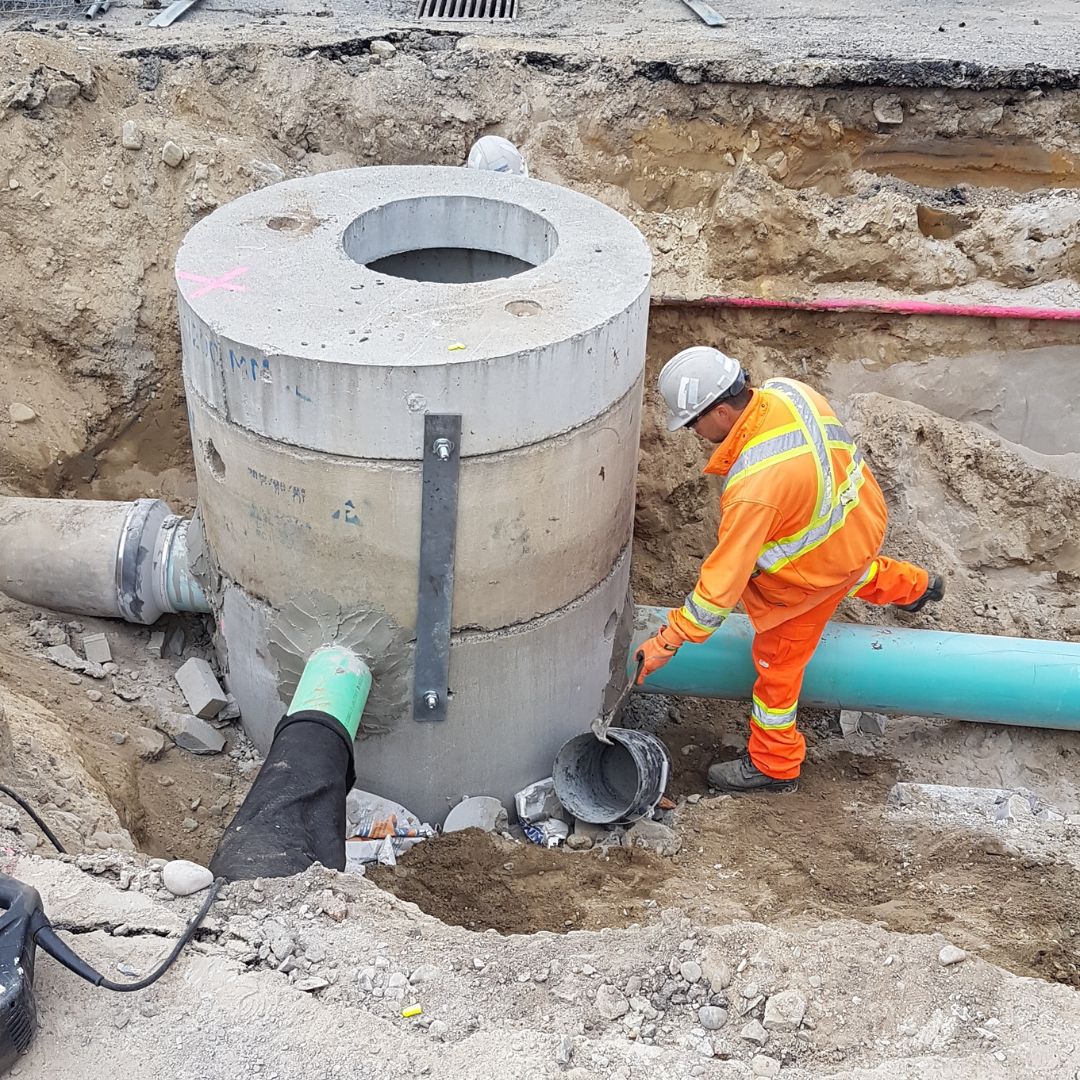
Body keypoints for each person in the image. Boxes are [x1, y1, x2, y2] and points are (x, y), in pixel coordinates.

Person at [637, 347, 943, 794]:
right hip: (856, 521)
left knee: (777, 670)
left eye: (692, 423)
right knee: (856, 570)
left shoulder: (755, 488)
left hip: (816, 568)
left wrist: (668, 641)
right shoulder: (789, 392)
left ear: (721, 412)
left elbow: (719, 590)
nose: (691, 433)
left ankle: (774, 766)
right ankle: (917, 587)